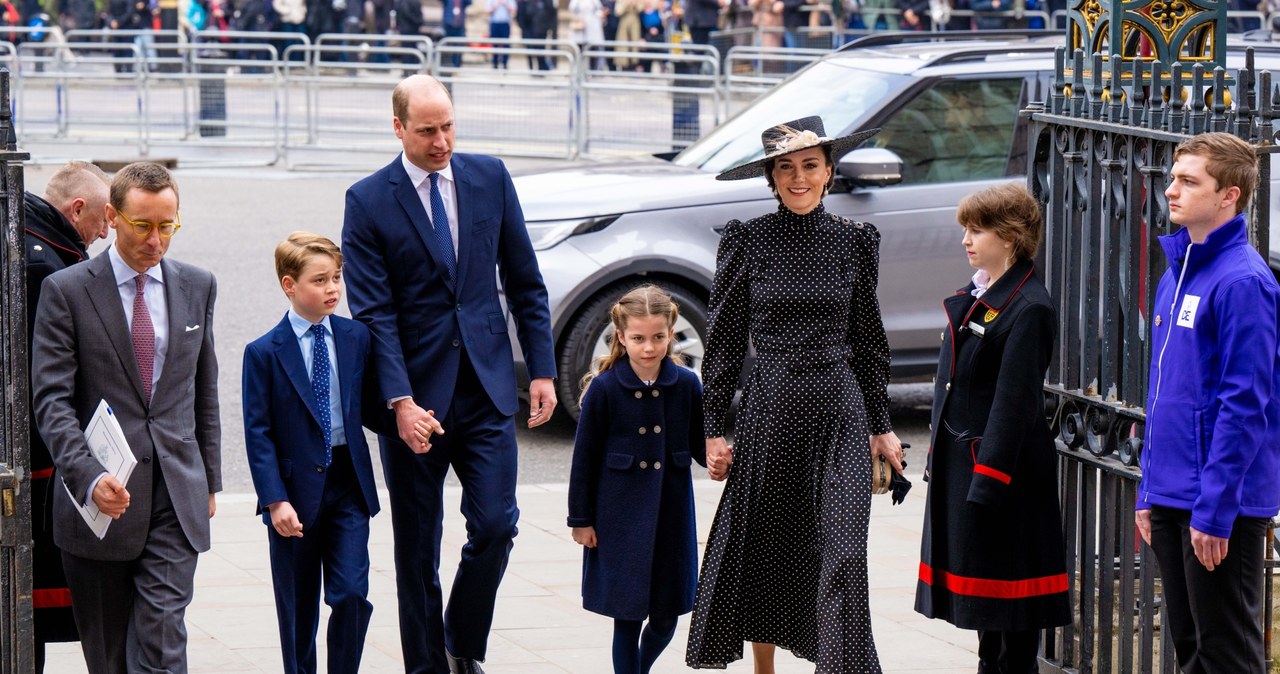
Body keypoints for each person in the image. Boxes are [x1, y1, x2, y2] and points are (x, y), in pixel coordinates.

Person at [341, 74, 557, 674]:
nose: (441, 141)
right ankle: (426, 667)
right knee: (416, 550)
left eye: (448, 126)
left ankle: (462, 642)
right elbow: (374, 313)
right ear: (398, 129)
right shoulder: (367, 200)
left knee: (496, 526)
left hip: (486, 388)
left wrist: (542, 369)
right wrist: (400, 402)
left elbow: (523, 280)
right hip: (414, 401)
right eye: (427, 130)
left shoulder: (489, 176)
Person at [685, 116, 904, 673]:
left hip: (840, 413)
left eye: (810, 165)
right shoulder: (748, 240)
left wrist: (880, 424)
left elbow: (868, 339)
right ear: (771, 177)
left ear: (830, 172)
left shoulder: (856, 241)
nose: (799, 177)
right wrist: (714, 430)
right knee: (770, 547)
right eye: (786, 167)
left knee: (844, 555)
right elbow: (725, 343)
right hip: (771, 412)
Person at [31, 161, 221, 674]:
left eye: (168, 226)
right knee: (110, 659)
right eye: (143, 226)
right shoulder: (66, 291)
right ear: (111, 217)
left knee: (161, 647)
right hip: (99, 506)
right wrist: (89, 478)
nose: (156, 240)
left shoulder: (197, 286)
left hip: (174, 498)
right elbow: (51, 400)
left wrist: (210, 479)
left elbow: (203, 389)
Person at [1134, 132, 1280, 674]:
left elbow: (1246, 404)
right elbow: (1165, 392)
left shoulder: (1244, 282)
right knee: (1192, 648)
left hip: (1220, 504)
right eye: (1173, 178)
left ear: (1229, 196)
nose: (1170, 190)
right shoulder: (1179, 270)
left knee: (1227, 655)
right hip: (1173, 494)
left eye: (1188, 181)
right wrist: (1149, 489)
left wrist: (1216, 509)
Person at [913, 182, 1070, 674]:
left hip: (1005, 483)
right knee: (987, 620)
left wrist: (989, 481)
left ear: (1011, 236)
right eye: (965, 228)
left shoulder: (1029, 306)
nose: (966, 238)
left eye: (977, 229)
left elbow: (1013, 404)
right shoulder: (981, 293)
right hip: (969, 470)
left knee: (1011, 623)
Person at [242, 232, 382, 674]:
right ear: (289, 285)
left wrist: (408, 416)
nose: (333, 289)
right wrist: (275, 499)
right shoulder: (264, 352)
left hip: (348, 485)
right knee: (298, 609)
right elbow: (257, 431)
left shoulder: (356, 336)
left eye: (336, 278)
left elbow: (371, 404)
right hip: (294, 494)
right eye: (320, 280)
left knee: (352, 595)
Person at [567, 284, 707, 674]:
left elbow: (700, 445)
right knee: (627, 618)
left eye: (659, 337)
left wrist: (719, 459)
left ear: (671, 333)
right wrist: (581, 520)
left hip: (671, 517)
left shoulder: (686, 385)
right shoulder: (605, 389)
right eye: (639, 338)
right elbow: (584, 459)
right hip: (618, 519)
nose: (649, 347)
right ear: (621, 337)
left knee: (666, 619)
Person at [22, 160, 111, 672]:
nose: (103, 234)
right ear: (77, 209)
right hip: (39, 454)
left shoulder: (36, 241)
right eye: (102, 221)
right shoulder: (44, 268)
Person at [486, 0, 515, 68]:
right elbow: (488, 11)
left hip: (505, 23)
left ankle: (505, 63)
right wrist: (496, 5)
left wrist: (505, 4)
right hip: (495, 23)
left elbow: (513, 10)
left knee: (506, 44)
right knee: (494, 43)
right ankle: (495, 63)